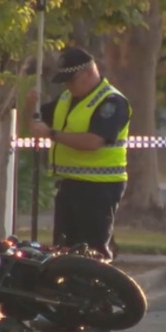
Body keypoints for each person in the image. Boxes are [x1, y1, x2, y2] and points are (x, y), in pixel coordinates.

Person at [24, 47, 132, 261]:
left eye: (70, 80)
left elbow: (94, 141)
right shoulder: (66, 99)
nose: (67, 86)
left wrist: (52, 134)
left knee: (92, 250)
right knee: (64, 250)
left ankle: (96, 290)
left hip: (99, 186)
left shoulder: (111, 102)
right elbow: (36, 124)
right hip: (70, 184)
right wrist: (30, 107)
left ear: (88, 73)